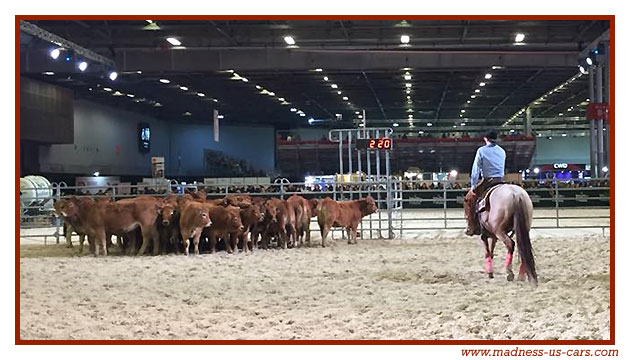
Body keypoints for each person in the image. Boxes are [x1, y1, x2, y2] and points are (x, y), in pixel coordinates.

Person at [465, 130, 506, 236]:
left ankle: (472, 226)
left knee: (469, 199)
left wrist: (473, 186)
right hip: (500, 180)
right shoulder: (502, 151)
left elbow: (476, 170)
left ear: (485, 138)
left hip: (487, 180)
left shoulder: (481, 150)